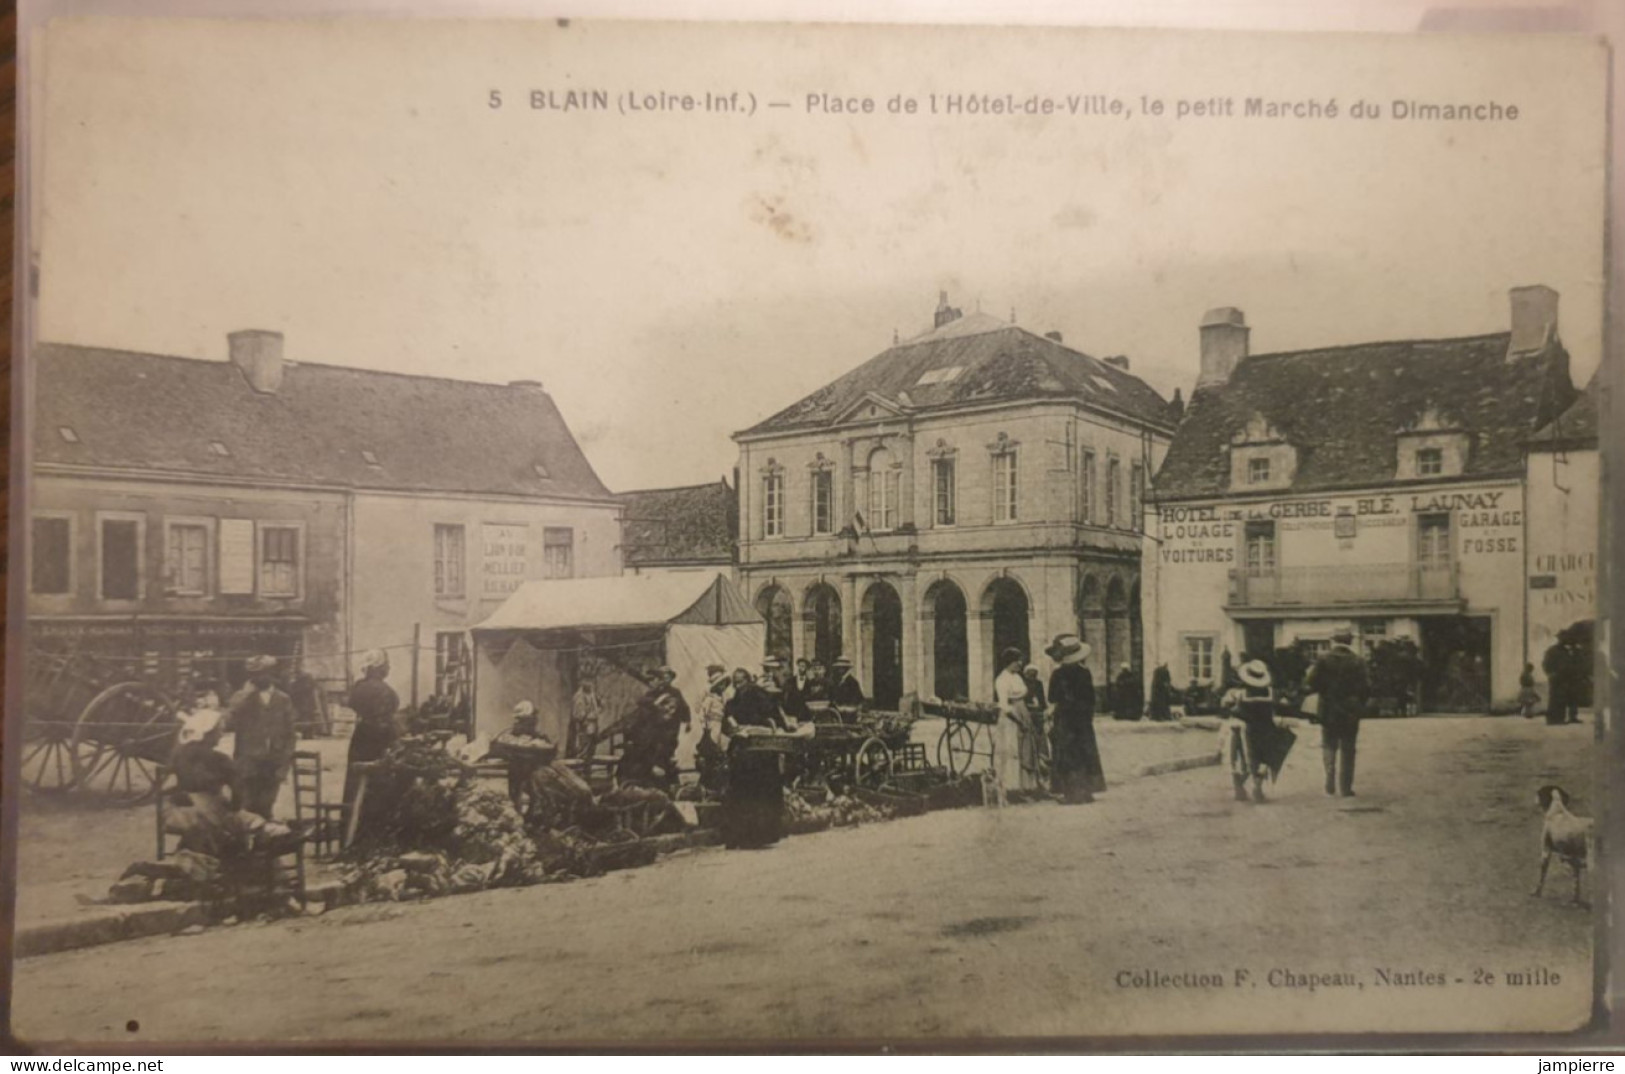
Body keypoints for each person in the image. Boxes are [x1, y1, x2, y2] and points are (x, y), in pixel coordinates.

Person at [720, 668, 789, 849]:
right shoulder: (732, 703)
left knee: (761, 792)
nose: (738, 686)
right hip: (742, 753)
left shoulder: (761, 697)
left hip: (761, 753)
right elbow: (725, 726)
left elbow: (775, 719)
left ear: (749, 681)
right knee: (742, 793)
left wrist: (763, 727)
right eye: (735, 683)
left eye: (741, 681)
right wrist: (734, 729)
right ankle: (741, 835)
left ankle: (761, 835)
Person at [225, 655, 298, 819]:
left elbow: (290, 735)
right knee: (246, 811)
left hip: (273, 764)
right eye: (252, 674)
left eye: (260, 673)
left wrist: (284, 765)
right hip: (248, 764)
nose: (255, 678)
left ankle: (262, 844)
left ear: (271, 673)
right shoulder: (242, 698)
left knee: (266, 809)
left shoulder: (283, 699)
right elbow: (227, 722)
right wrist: (243, 695)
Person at [1306, 628, 1369, 797]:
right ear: (1349, 641)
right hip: (1350, 709)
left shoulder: (1323, 659)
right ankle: (1345, 787)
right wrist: (1358, 703)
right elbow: (1366, 688)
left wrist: (1324, 692)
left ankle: (1329, 777)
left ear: (1334, 641)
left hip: (1328, 708)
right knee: (1348, 748)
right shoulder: (1358, 661)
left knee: (1329, 743)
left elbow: (1310, 683)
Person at [1045, 634, 1104, 804]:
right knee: (1084, 752)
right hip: (1082, 719)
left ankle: (1070, 794)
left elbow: (1052, 697)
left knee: (1067, 754)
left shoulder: (1057, 674)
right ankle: (1086, 792)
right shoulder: (1085, 673)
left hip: (1065, 718)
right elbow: (1091, 698)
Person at [344, 650, 399, 810]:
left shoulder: (357, 687)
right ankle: (376, 821)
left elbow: (353, 705)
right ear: (378, 667)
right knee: (380, 779)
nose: (388, 668)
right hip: (381, 739)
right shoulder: (385, 691)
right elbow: (384, 717)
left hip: (360, 738)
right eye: (386, 665)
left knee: (356, 781)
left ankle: (352, 821)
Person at [1222, 660, 1281, 803]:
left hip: (1245, 729)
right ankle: (1258, 787)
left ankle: (1239, 786)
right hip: (1266, 729)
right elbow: (1278, 707)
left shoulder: (1239, 693)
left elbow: (1225, 706)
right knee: (1265, 759)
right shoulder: (1271, 693)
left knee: (1240, 758)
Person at [491, 701, 557, 818]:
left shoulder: (532, 731)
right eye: (532, 718)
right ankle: (518, 814)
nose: (535, 721)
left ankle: (526, 814)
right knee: (517, 790)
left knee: (529, 790)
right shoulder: (518, 729)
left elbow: (541, 741)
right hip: (519, 764)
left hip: (530, 764)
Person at [993, 647, 1037, 795]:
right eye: (1016, 661)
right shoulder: (1001, 680)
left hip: (1023, 711)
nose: (1019, 664)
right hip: (1011, 719)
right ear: (1008, 662)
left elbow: (1023, 694)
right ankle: (1012, 787)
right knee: (1012, 749)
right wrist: (1019, 721)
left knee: (1026, 749)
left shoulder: (1018, 677)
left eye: (1020, 660)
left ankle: (1027, 786)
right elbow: (1004, 705)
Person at [695, 664, 732, 793]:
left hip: (722, 724)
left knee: (723, 750)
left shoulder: (724, 697)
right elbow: (701, 713)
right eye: (720, 684)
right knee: (712, 749)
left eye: (724, 684)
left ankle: (721, 779)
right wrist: (706, 727)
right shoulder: (709, 699)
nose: (722, 687)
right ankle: (709, 781)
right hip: (713, 725)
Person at [569, 680, 603, 759]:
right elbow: (578, 715)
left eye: (591, 682)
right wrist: (587, 715)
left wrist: (598, 710)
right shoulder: (578, 696)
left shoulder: (592, 694)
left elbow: (600, 706)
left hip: (593, 726)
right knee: (583, 750)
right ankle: (581, 768)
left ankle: (588, 767)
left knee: (591, 750)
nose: (590, 684)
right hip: (584, 726)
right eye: (587, 681)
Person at [1543, 640, 1571, 726]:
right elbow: (1545, 663)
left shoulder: (1566, 651)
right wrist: (1550, 673)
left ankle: (1560, 719)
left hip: (1564, 677)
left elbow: (1569, 664)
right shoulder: (1552, 650)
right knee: (1554, 698)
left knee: (1562, 697)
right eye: (1563, 638)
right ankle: (1551, 720)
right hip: (1555, 677)